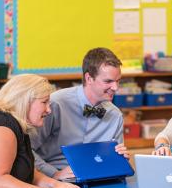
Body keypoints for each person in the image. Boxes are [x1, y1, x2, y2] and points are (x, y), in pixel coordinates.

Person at [31, 47, 130, 180]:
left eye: (118, 81)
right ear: (89, 78)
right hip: (53, 179)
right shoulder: (55, 104)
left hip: (97, 178)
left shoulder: (115, 115)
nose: (115, 88)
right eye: (108, 81)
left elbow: (111, 159)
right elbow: (27, 150)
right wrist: (53, 174)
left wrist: (119, 158)